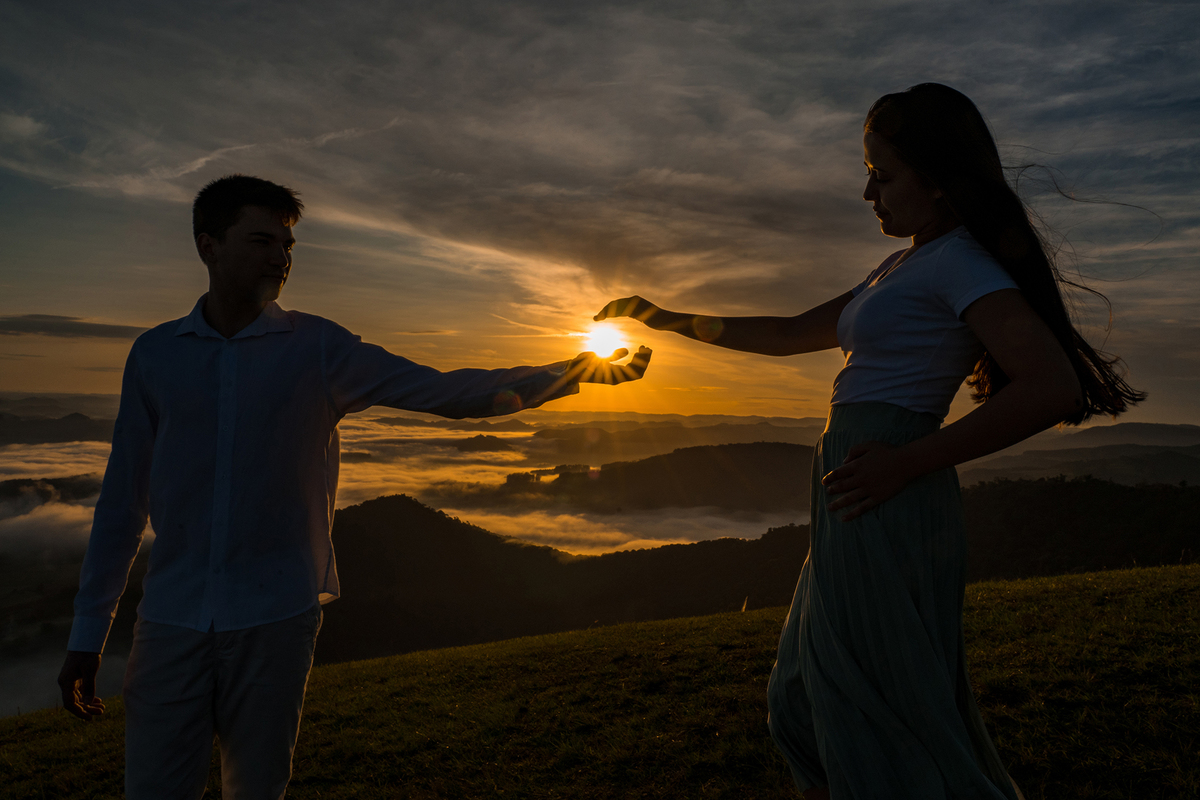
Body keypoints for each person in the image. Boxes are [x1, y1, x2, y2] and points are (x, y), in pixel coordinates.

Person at [595, 83, 1143, 799]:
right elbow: (794, 333)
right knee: (803, 703)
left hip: (885, 487)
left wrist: (907, 463)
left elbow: (1053, 387)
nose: (867, 193)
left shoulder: (961, 263)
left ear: (939, 181)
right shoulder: (906, 264)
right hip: (854, 488)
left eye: (882, 176)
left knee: (880, 717)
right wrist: (665, 318)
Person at [57, 174, 652, 799]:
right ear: (207, 246)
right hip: (171, 619)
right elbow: (123, 504)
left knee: (258, 790)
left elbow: (447, 392)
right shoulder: (155, 356)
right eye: (262, 242)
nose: (280, 259)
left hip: (277, 616)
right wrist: (86, 636)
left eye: (287, 246)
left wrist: (572, 374)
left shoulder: (317, 348)